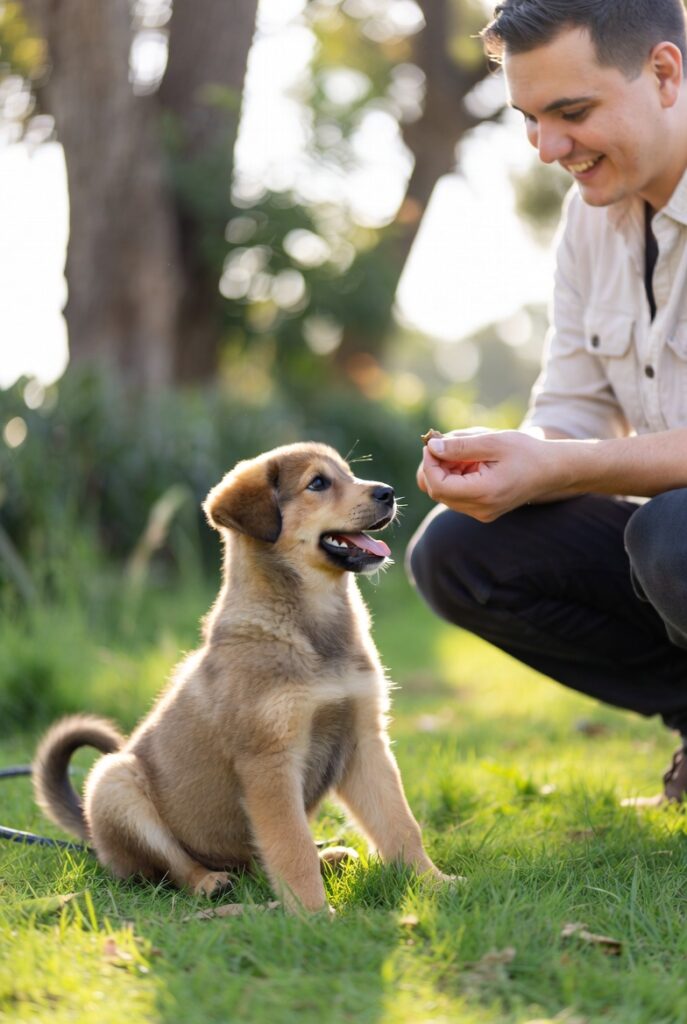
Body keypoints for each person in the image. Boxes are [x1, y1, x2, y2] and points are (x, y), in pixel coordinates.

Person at [407, 0, 687, 805]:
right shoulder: (590, 217)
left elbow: (582, 457)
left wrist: (560, 466)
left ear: (663, 73)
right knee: (460, 548)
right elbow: (571, 408)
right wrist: (511, 460)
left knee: (671, 532)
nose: (547, 148)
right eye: (530, 119)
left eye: (572, 112)